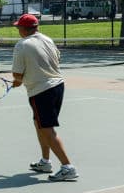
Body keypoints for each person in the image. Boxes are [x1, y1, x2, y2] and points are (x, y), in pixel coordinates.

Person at [11, 13, 78, 182]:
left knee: (47, 129)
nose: (18, 30)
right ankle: (45, 162)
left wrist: (18, 81)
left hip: (41, 91)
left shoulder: (21, 45)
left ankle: (67, 167)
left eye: (19, 27)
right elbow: (56, 59)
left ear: (24, 29)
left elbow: (17, 75)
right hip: (58, 86)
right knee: (39, 124)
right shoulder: (47, 39)